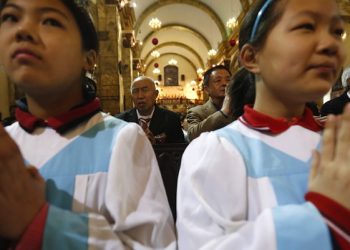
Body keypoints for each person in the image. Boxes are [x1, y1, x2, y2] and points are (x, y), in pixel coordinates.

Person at [0, 0, 176, 249]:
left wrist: (42, 223)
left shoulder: (120, 140)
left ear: (89, 58)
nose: (22, 31)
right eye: (10, 18)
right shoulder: (7, 142)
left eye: (50, 21)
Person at [177, 0, 350, 249]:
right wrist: (324, 216)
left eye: (337, 32)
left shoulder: (338, 143)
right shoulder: (218, 152)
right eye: (306, 26)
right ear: (251, 57)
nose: (331, 44)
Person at [116, 76, 185, 144]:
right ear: (131, 97)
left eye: (145, 90)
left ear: (156, 94)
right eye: (135, 91)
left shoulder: (171, 119)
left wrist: (155, 145)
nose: (140, 96)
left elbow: (179, 151)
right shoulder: (121, 121)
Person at [186, 65, 234, 141]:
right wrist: (222, 113)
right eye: (218, 80)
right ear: (206, 89)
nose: (225, 84)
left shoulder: (241, 109)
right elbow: (192, 136)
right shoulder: (196, 112)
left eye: (228, 80)